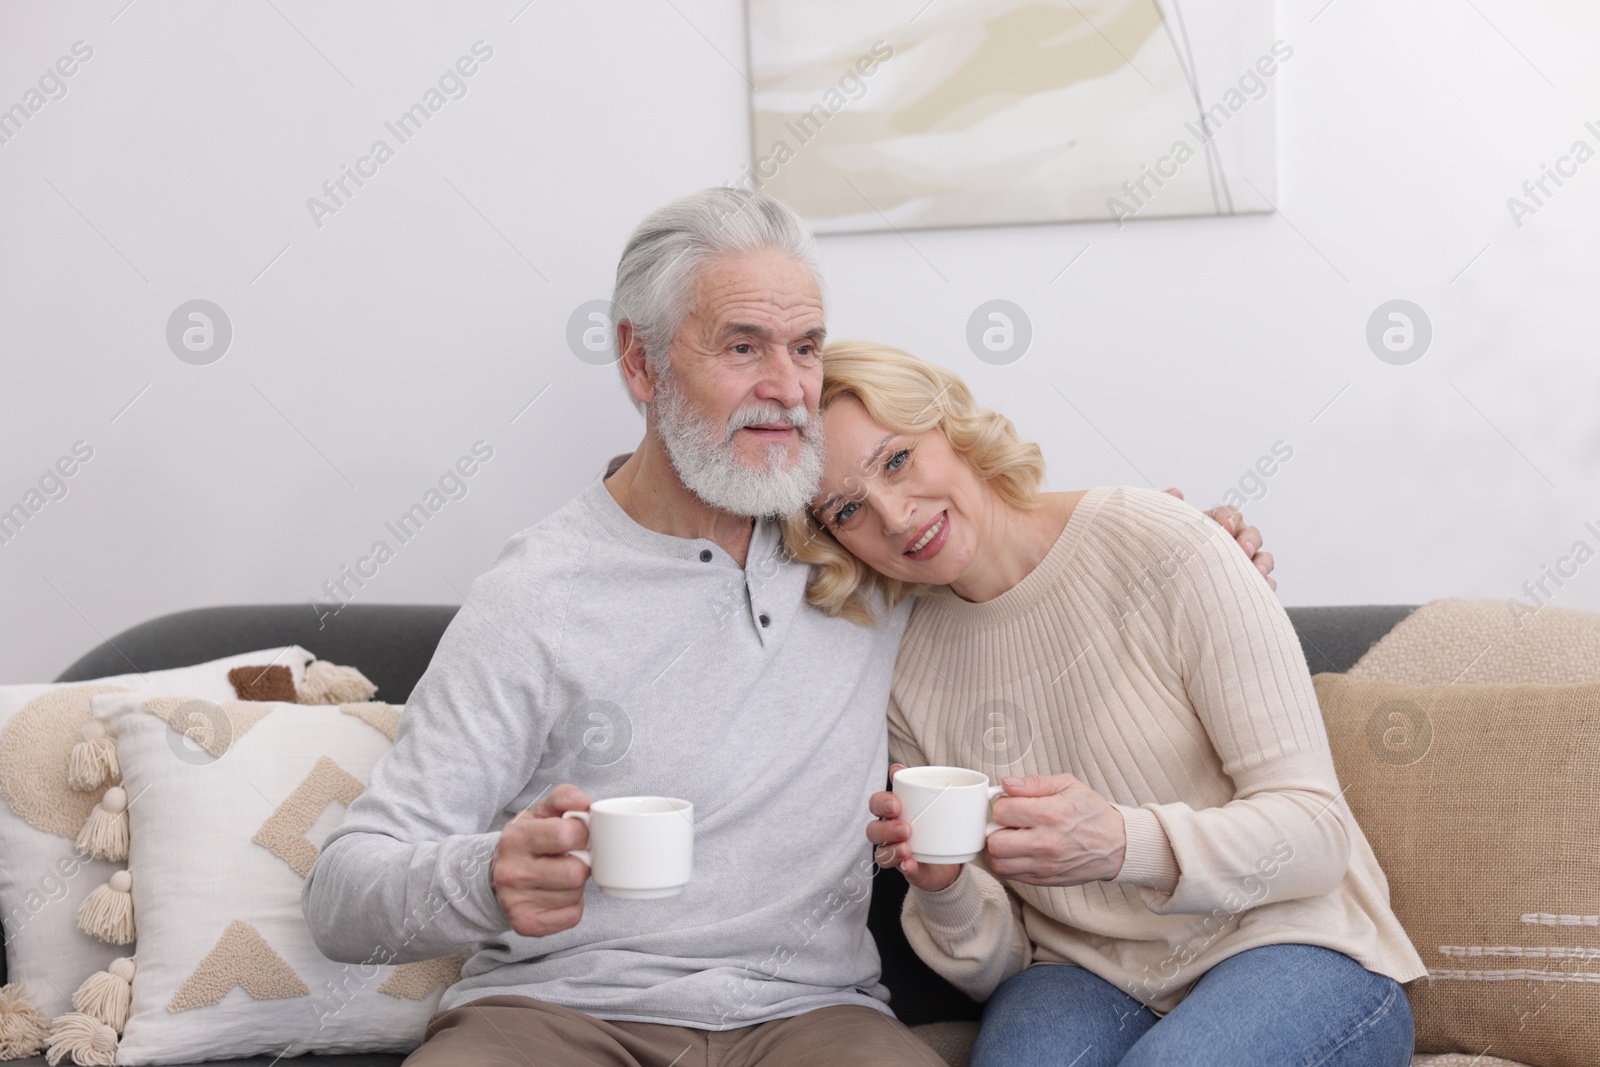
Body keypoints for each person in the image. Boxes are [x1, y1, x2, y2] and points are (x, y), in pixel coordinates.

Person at [301, 188, 1271, 1067]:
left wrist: (1188, 540)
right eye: (742, 346)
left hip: (813, 1019)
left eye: (805, 347)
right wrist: (486, 872)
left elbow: (1002, 533)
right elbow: (344, 894)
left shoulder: (856, 547)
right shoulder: (535, 595)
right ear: (640, 362)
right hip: (557, 1014)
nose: (787, 385)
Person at [779, 342, 1426, 1067]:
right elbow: (1000, 964)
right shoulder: (904, 668)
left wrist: (1122, 841)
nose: (895, 517)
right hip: (1081, 972)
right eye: (847, 509)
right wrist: (946, 887)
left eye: (895, 460)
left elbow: (1315, 830)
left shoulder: (1168, 542)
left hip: (1292, 943)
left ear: (950, 427)